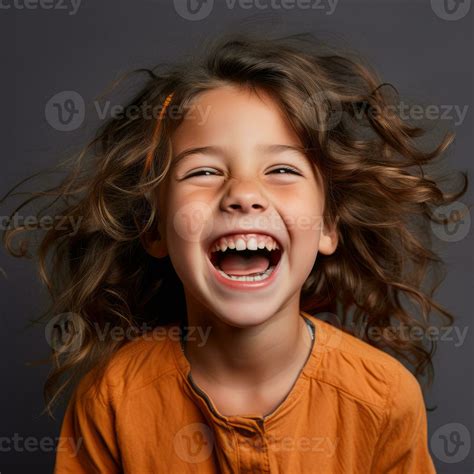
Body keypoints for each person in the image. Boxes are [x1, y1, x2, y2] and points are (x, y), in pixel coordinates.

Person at [4, 33, 467, 472]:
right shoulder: (110, 400)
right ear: (154, 230)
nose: (244, 193)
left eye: (282, 168)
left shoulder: (384, 399)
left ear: (327, 226)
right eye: (203, 171)